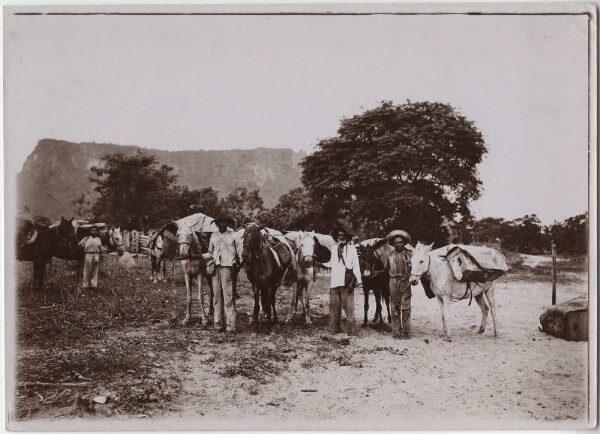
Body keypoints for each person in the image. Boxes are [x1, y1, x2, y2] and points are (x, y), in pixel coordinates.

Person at [204, 216, 242, 333]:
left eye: (224, 222)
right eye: (220, 222)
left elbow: (240, 252)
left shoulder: (234, 235)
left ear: (227, 223)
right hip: (215, 267)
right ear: (217, 223)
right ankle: (218, 325)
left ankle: (230, 326)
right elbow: (210, 251)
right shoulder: (214, 235)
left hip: (228, 267)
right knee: (216, 296)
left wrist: (239, 265)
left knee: (228, 297)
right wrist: (206, 256)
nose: (222, 224)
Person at [328, 225, 362, 336]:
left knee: (349, 308)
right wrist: (319, 263)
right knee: (334, 307)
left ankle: (350, 331)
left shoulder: (352, 249)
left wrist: (359, 280)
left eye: (343, 235)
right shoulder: (333, 248)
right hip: (334, 282)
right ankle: (334, 329)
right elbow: (331, 263)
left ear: (347, 237)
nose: (341, 237)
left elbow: (355, 265)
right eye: (339, 235)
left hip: (346, 282)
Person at [384, 230, 413, 339]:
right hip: (393, 281)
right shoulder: (389, 255)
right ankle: (396, 332)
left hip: (405, 281)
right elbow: (386, 269)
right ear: (393, 244)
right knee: (395, 307)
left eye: (400, 242)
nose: (398, 244)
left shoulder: (409, 255)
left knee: (406, 307)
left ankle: (406, 332)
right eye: (396, 242)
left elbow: (414, 270)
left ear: (404, 242)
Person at [78, 225, 103, 290]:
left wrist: (102, 251)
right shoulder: (86, 238)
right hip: (88, 254)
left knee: (95, 270)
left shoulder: (98, 239)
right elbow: (79, 245)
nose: (94, 232)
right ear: (90, 231)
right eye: (92, 230)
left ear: (97, 232)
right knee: (87, 270)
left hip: (96, 254)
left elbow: (100, 248)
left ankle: (93, 286)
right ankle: (85, 286)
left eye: (95, 230)